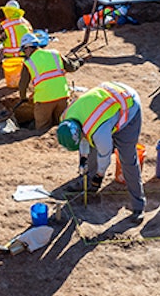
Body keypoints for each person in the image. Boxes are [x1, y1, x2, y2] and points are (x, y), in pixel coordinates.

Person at [56, 81, 145, 221]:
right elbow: (84, 140)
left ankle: (138, 206)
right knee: (91, 147)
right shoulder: (65, 117)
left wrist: (99, 176)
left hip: (128, 105)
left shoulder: (99, 132)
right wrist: (83, 160)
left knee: (127, 158)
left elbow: (105, 157)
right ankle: (88, 184)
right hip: (108, 101)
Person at [18, 33, 81, 131]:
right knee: (63, 125)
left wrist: (23, 98)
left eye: (23, 50)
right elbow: (71, 67)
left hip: (44, 101)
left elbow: (22, 85)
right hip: (63, 97)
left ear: (28, 48)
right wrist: (79, 62)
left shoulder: (28, 63)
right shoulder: (55, 54)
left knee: (42, 129)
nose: (24, 53)